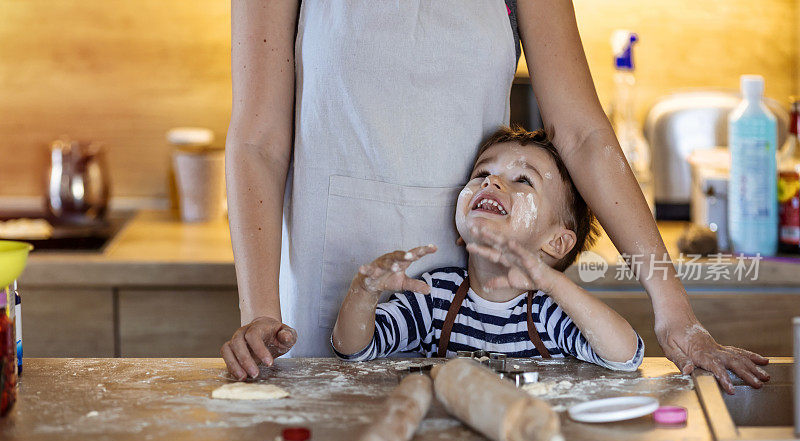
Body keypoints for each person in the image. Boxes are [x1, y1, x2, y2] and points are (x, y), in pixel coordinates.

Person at [222, 0, 769, 394]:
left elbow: (582, 135)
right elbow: (257, 141)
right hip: (329, 268)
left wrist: (674, 312)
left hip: (471, 265)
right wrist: (261, 313)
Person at [331, 126, 645, 371]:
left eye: (523, 179)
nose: (491, 182)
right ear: (461, 233)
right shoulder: (435, 297)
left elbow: (625, 355)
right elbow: (354, 349)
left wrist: (553, 284)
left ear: (556, 242)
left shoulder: (548, 311)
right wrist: (364, 291)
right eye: (482, 173)